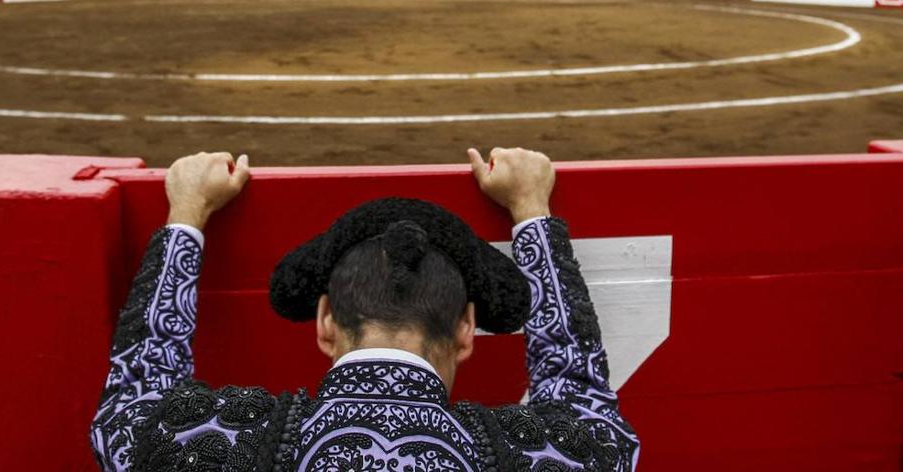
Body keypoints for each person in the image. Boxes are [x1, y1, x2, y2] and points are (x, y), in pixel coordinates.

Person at [91, 147, 640, 470]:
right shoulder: (514, 454)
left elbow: (133, 399)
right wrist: (531, 210)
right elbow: (586, 403)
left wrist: (186, 214)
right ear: (468, 329)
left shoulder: (242, 442)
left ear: (326, 321)